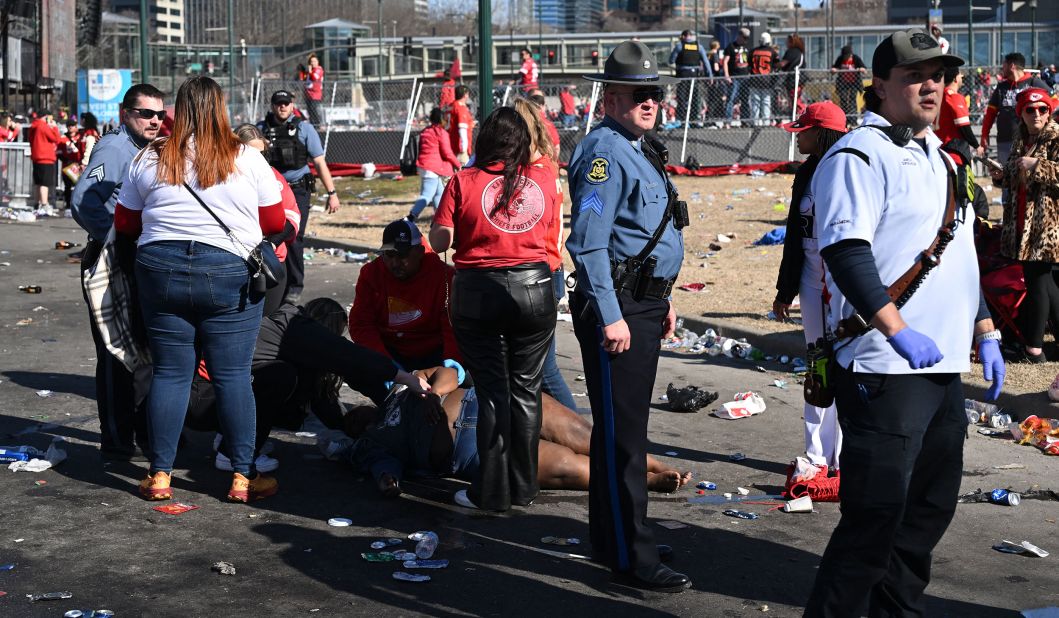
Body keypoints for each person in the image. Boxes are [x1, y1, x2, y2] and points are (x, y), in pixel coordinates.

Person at [803, 29, 1005, 615]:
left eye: (939, 76)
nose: (931, 86)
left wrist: (985, 332)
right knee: (873, 523)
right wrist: (897, 329)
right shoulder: (857, 155)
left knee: (927, 513)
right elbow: (846, 252)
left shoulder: (941, 157)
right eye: (916, 75)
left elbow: (957, 254)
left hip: (941, 365)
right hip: (885, 367)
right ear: (882, 84)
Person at [115, 76, 286, 503]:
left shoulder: (152, 156)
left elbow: (125, 224)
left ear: (179, 111)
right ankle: (243, 478)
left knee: (171, 374)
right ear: (221, 109)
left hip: (160, 269)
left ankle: (159, 476)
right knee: (232, 377)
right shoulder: (246, 157)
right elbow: (275, 223)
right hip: (228, 272)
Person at [566, 41, 689, 593]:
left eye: (655, 93)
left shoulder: (638, 147)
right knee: (624, 440)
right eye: (639, 94)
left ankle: (612, 535)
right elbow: (589, 244)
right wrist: (615, 316)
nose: (650, 102)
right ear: (611, 98)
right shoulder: (604, 154)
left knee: (621, 432)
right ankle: (631, 555)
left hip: (641, 303)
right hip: (619, 309)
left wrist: (660, 300)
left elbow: (644, 235)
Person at [429, 106, 559, 513]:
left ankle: (491, 489)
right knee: (526, 391)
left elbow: (438, 241)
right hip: (534, 290)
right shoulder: (543, 178)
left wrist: (455, 230)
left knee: (491, 392)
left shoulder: (463, 181)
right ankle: (523, 486)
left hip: (479, 293)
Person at [344, 366, 693, 499]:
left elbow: (449, 370)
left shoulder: (398, 389)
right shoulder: (370, 444)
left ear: (361, 403)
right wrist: (387, 481)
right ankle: (641, 481)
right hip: (473, 451)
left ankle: (653, 462)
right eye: (349, 427)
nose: (355, 420)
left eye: (353, 413)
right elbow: (384, 468)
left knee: (583, 435)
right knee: (569, 467)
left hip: (488, 402)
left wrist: (432, 395)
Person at [189, 298, 431, 473]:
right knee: (280, 376)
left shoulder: (293, 336)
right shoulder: (298, 331)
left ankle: (231, 437)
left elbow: (329, 394)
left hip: (204, 394)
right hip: (205, 400)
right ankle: (234, 454)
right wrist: (404, 378)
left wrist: (383, 407)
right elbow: (351, 358)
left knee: (281, 381)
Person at [71, 83, 166, 462]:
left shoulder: (148, 148)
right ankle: (116, 440)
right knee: (114, 354)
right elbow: (82, 201)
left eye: (159, 114)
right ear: (127, 114)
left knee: (141, 352)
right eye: (146, 113)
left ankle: (142, 432)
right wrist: (115, 239)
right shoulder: (115, 147)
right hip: (111, 261)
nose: (155, 120)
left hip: (136, 260)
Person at [773, 102, 848, 486]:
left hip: (844, 281)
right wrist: (785, 290)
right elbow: (794, 236)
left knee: (848, 365)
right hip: (809, 278)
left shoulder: (851, 166)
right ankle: (817, 455)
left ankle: (846, 458)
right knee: (818, 365)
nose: (797, 137)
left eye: (802, 131)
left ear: (821, 132)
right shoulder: (805, 171)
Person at [512, 96, 577, 411]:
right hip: (550, 268)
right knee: (536, 365)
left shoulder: (532, 175)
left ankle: (581, 436)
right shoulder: (547, 167)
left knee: (543, 366)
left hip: (539, 271)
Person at [990, 88, 1059, 364]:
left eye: (1042, 109)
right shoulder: (1021, 137)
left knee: (1039, 282)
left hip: (1048, 223)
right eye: (1030, 110)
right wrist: (1000, 175)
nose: (1037, 114)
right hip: (1021, 222)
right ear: (1021, 113)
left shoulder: (1055, 136)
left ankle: (1034, 348)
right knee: (1047, 283)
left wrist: (1037, 165)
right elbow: (1014, 173)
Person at [257, 89, 341, 304]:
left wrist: (332, 193)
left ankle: (294, 286)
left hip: (297, 190)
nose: (282, 107)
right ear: (272, 105)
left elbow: (319, 162)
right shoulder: (261, 129)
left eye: (286, 103)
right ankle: (271, 279)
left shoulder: (304, 129)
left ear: (292, 105)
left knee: (293, 237)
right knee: (266, 238)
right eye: (278, 103)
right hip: (269, 190)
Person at [349, 219, 461, 372]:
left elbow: (451, 326)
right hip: (389, 352)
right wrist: (383, 361)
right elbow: (361, 324)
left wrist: (453, 360)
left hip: (433, 353)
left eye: (402, 255)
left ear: (420, 252)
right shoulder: (371, 274)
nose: (395, 263)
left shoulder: (443, 275)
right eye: (389, 255)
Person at [234, 123, 301, 314]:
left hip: (269, 263)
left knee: (267, 323)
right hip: (235, 263)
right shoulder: (224, 177)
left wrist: (271, 244)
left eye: (263, 154)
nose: (260, 160)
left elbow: (292, 215)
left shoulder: (273, 176)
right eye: (252, 154)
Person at [979, 53, 1050, 208]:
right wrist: (984, 135)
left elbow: (1053, 100)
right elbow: (990, 114)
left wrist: (1044, 120)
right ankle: (1009, 209)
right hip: (1005, 140)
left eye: (1003, 65)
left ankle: (1031, 207)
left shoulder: (1034, 82)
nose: (1001, 68)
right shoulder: (1001, 87)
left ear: (1011, 65)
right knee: (1006, 174)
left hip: (1030, 140)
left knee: (1029, 175)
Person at [407, 108, 461, 222]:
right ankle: (411, 217)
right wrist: (458, 164)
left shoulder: (426, 131)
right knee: (427, 195)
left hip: (425, 166)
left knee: (439, 194)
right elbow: (447, 153)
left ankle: (439, 218)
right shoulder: (441, 133)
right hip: (433, 168)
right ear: (441, 119)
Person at [669, 30, 711, 127]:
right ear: (691, 36)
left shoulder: (680, 46)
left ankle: (682, 120)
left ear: (683, 36)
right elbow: (706, 62)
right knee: (694, 98)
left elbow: (671, 60)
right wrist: (710, 76)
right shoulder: (698, 46)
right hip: (694, 75)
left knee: (682, 97)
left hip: (682, 74)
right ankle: (694, 120)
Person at [29, 109, 61, 210]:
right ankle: (44, 204)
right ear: (46, 117)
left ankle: (36, 202)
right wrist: (54, 127)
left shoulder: (33, 125)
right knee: (45, 183)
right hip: (45, 157)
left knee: (38, 182)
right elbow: (56, 139)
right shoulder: (43, 126)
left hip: (36, 157)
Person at [831, 45, 867, 124]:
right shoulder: (840, 59)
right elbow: (834, 67)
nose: (846, 58)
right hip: (843, 83)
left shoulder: (855, 58)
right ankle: (844, 120)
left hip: (854, 83)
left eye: (847, 56)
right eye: (844, 56)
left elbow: (864, 68)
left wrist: (861, 69)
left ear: (850, 54)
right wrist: (834, 69)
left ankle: (853, 120)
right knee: (843, 99)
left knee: (852, 100)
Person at [749, 32, 779, 127]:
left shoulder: (753, 51)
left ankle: (755, 121)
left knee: (755, 102)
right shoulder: (772, 52)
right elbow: (776, 64)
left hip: (755, 79)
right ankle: (766, 121)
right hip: (767, 80)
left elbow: (749, 64)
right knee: (766, 102)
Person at [723, 28, 752, 123]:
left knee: (745, 98)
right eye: (744, 38)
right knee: (731, 98)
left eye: (747, 38)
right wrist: (727, 75)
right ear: (739, 36)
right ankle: (728, 120)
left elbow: (750, 62)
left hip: (745, 78)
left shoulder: (747, 47)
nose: (746, 40)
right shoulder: (731, 46)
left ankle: (745, 120)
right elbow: (725, 61)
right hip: (734, 77)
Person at [527, 89, 562, 155]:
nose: (538, 102)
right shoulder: (522, 123)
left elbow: (556, 147)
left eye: (541, 99)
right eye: (535, 98)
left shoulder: (548, 124)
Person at [57, 118, 82, 208]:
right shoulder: (62, 138)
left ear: (76, 127)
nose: (70, 127)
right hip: (67, 167)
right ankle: (68, 205)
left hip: (79, 166)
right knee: (67, 187)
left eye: (72, 126)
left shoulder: (81, 137)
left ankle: (79, 204)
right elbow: (58, 153)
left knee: (79, 186)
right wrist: (67, 161)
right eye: (69, 126)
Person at [448, 85, 474, 165]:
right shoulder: (460, 108)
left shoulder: (452, 106)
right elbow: (462, 129)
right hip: (460, 147)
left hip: (454, 145)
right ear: (465, 95)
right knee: (464, 172)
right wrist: (464, 148)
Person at [781, 35, 806, 117]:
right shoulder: (799, 52)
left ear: (792, 42)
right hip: (798, 80)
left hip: (794, 81)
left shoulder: (792, 51)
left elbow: (783, 64)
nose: (786, 43)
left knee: (795, 100)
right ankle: (797, 116)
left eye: (788, 41)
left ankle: (805, 114)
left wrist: (774, 64)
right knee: (794, 100)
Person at [303, 53, 324, 126]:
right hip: (308, 94)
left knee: (314, 109)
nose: (313, 63)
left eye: (314, 61)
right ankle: (312, 124)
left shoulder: (318, 69)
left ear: (318, 62)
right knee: (309, 111)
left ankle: (317, 125)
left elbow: (315, 78)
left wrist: (310, 71)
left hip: (315, 95)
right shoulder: (310, 71)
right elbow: (304, 78)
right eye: (311, 61)